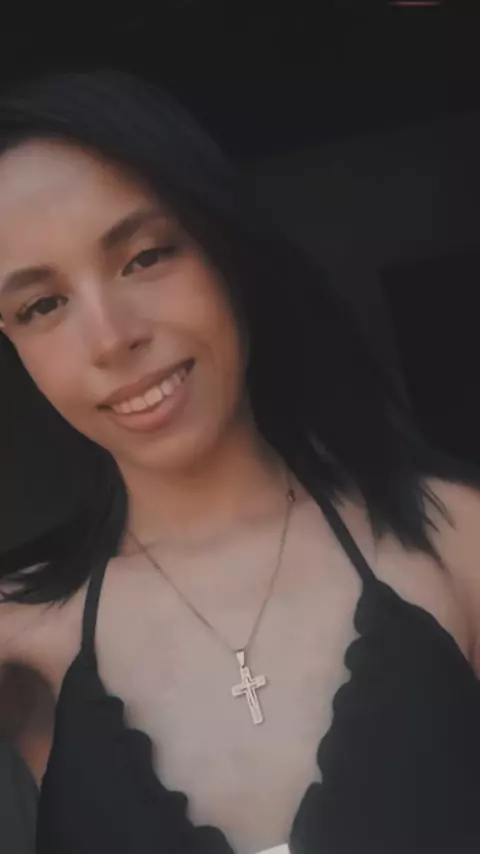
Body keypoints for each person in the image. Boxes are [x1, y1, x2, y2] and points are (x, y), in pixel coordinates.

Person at [0, 70, 479, 854]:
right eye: (41, 305)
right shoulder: (21, 636)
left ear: (225, 251)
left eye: (146, 257)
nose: (111, 338)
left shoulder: (457, 540)